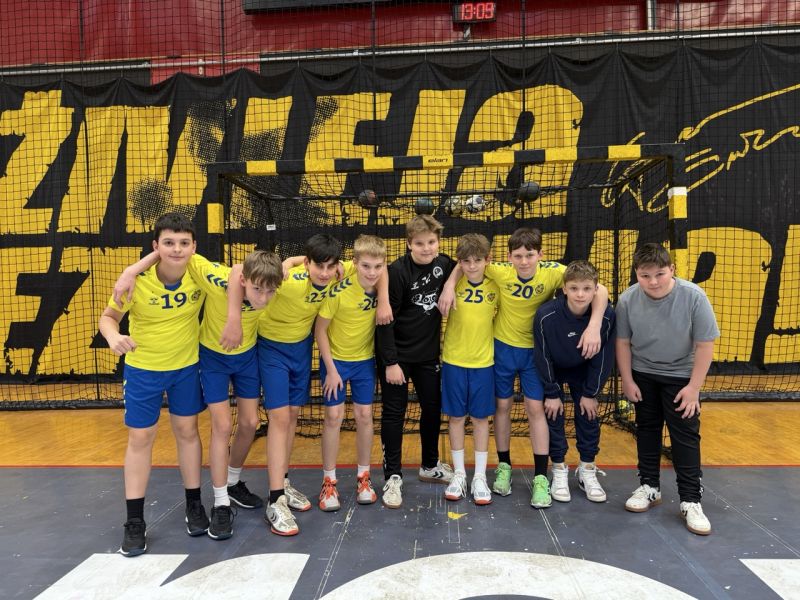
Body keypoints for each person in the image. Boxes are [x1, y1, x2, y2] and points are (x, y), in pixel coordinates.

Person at [115, 246, 285, 541]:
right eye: (257, 290)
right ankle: (220, 503)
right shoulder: (217, 278)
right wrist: (131, 270)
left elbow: (293, 264)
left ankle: (233, 483)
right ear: (244, 281)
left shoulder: (272, 281)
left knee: (250, 423)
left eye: (270, 292)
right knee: (222, 425)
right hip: (212, 359)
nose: (263, 298)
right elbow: (191, 257)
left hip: (247, 358)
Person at [440, 228, 607, 509]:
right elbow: (466, 262)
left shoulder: (553, 273)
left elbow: (598, 288)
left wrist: (594, 324)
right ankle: (503, 466)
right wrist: (448, 286)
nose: (524, 261)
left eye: (530, 255)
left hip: (535, 352)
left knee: (535, 408)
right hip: (502, 349)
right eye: (518, 256)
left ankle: (541, 476)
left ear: (541, 254)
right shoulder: (499, 271)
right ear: (508, 257)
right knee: (502, 407)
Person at [225, 234, 349, 536]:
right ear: (307, 263)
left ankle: (283, 481)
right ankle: (275, 500)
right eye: (318, 266)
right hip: (272, 350)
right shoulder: (287, 280)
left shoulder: (337, 274)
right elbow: (240, 272)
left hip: (301, 351)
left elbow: (372, 264)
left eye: (331, 266)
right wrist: (289, 263)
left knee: (292, 416)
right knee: (279, 419)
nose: (324, 272)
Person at [99, 212, 207, 557]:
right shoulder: (136, 282)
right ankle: (134, 521)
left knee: (188, 432)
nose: (177, 249)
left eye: (184, 243)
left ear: (194, 247)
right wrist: (113, 336)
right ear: (155, 246)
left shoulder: (199, 272)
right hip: (143, 370)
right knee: (141, 437)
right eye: (169, 243)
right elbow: (108, 318)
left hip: (185, 368)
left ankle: (194, 504)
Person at [616, 243, 719, 535]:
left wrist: (693, 388)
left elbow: (705, 345)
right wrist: (627, 379)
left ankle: (691, 500)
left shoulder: (694, 297)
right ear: (636, 273)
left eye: (660, 274)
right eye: (645, 275)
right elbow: (622, 342)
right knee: (647, 429)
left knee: (684, 435)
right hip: (643, 373)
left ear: (672, 270)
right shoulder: (627, 299)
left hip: (681, 376)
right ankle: (649, 486)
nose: (653, 282)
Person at [375, 214, 456, 509]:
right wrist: (390, 362)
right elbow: (384, 322)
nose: (426, 248)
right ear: (409, 244)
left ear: (438, 242)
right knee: (394, 413)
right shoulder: (397, 272)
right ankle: (393, 476)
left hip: (428, 355)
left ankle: (429, 465)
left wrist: (449, 286)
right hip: (397, 357)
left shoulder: (443, 264)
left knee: (432, 409)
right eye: (420, 243)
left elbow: (461, 265)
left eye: (431, 242)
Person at [533, 260, 615, 504]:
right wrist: (551, 392)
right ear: (564, 289)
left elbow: (604, 357)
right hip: (556, 370)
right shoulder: (546, 315)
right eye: (574, 288)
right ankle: (558, 468)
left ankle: (587, 469)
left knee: (589, 416)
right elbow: (542, 355)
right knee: (553, 414)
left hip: (585, 371)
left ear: (596, 289)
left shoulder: (606, 316)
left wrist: (591, 393)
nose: (580, 294)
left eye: (587, 289)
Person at [315, 235, 386, 512]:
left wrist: (383, 298)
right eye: (366, 266)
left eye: (377, 267)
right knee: (334, 416)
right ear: (354, 263)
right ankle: (328, 481)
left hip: (364, 362)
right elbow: (320, 331)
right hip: (336, 362)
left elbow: (383, 274)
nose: (372, 272)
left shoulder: (381, 286)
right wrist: (331, 370)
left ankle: (364, 478)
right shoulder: (338, 291)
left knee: (365, 415)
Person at [440, 234, 499, 505]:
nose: (472, 266)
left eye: (477, 260)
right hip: (454, 361)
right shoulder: (452, 283)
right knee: (455, 418)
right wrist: (450, 283)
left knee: (480, 419)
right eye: (466, 261)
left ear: (488, 260)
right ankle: (460, 474)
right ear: (459, 262)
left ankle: (480, 477)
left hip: (483, 363)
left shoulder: (496, 284)